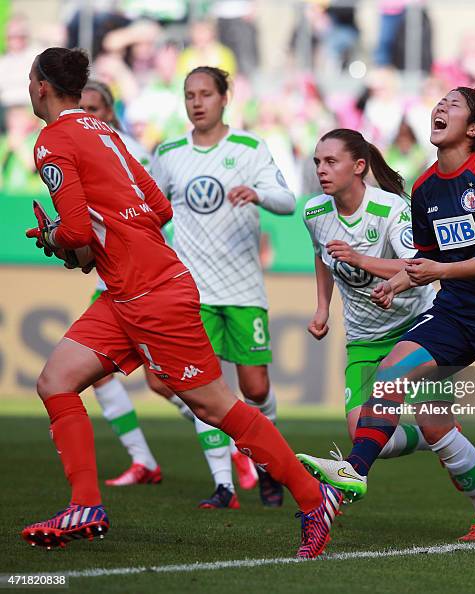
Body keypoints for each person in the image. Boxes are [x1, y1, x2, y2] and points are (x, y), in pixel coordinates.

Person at [22, 47, 340, 558]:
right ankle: (86, 503)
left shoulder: (52, 141)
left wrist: (60, 235)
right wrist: (84, 243)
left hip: (150, 293)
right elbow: (158, 206)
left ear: (40, 86)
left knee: (215, 406)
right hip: (126, 290)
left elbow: (79, 230)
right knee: (55, 381)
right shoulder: (108, 134)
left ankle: (311, 497)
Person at [299, 88, 475, 552]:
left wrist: (437, 271)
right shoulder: (427, 186)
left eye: (453, 105)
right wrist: (399, 282)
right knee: (393, 370)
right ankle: (355, 469)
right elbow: (426, 258)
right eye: (440, 103)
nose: (440, 109)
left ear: (474, 130)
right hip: (455, 311)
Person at [303, 128, 475, 541]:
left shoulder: (391, 208)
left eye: (331, 161)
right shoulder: (313, 212)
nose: (321, 170)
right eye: (317, 163)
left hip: (414, 331)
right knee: (361, 431)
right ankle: (422, 436)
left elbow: (417, 266)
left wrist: (361, 259)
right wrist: (323, 306)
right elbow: (321, 256)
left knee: (436, 429)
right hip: (363, 336)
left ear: (358, 167)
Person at [147, 66, 295, 509]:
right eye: (190, 94)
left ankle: (268, 466)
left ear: (224, 97)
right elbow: (151, 210)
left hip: (244, 288)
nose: (197, 102)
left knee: (255, 389)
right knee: (198, 388)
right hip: (192, 291)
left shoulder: (250, 148)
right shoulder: (170, 152)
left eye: (206, 94)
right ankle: (224, 485)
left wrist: (258, 194)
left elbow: (287, 201)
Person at [79, 79, 178, 487]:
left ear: (111, 113)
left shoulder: (125, 150)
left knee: (168, 380)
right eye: (80, 107)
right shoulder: (81, 148)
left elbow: (155, 212)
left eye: (95, 108)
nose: (86, 115)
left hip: (143, 277)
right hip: (113, 279)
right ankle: (143, 461)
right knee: (93, 372)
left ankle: (232, 449)